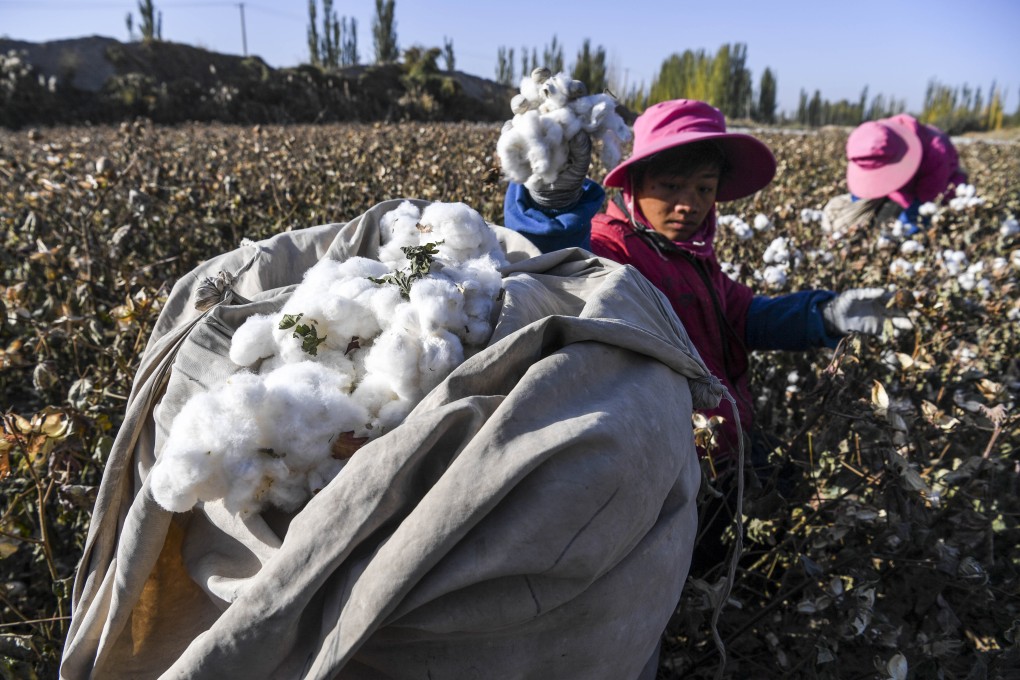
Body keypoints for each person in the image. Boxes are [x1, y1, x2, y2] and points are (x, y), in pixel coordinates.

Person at [503, 98, 911, 466]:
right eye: (671, 186)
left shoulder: (689, 253)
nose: (689, 204)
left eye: (704, 188)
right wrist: (551, 207)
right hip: (678, 471)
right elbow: (562, 272)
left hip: (727, 449)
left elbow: (741, 315)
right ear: (634, 184)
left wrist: (822, 315)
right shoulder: (615, 249)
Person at [832, 113, 967, 234]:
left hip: (936, 191)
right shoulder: (878, 137)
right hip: (899, 191)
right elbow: (863, 189)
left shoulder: (936, 153)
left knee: (890, 228)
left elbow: (925, 201)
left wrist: (901, 232)